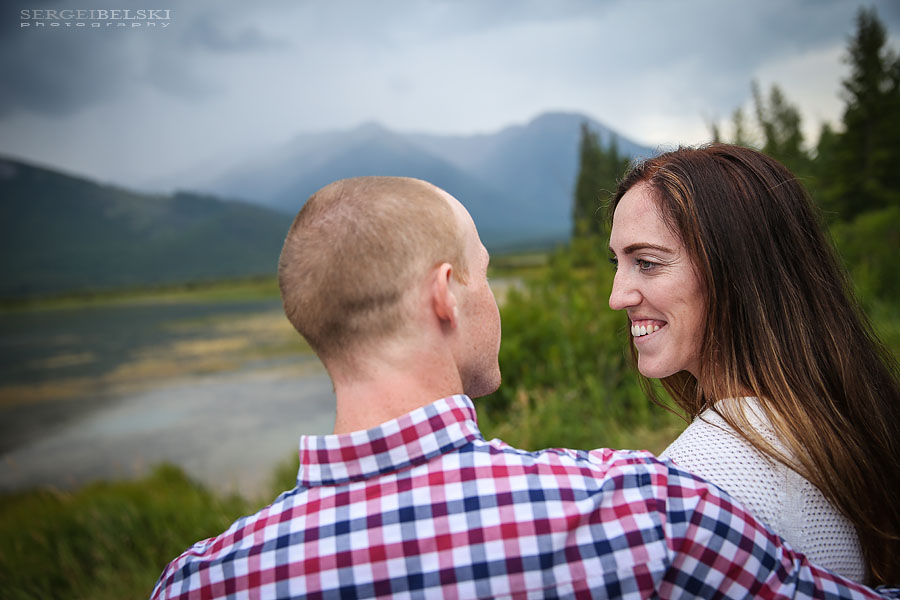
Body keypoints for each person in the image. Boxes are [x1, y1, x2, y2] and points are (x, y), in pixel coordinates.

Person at [152, 175, 898, 599]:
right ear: (446, 295)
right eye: (484, 272)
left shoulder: (197, 582)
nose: (616, 297)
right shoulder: (636, 512)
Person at [607, 144, 900, 586]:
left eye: (646, 262)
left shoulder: (705, 477)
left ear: (735, 269)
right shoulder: (836, 418)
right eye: (618, 263)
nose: (617, 296)